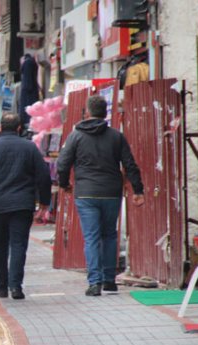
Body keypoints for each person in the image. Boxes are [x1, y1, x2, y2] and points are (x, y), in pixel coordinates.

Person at [57, 95, 145, 297]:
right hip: (111, 192)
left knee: (91, 237)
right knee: (109, 235)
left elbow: (62, 164)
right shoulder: (116, 136)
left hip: (86, 193)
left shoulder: (75, 136)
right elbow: (130, 164)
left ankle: (94, 282)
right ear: (105, 113)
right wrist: (138, 190)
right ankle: (109, 280)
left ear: (87, 112)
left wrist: (64, 184)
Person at [0, 112, 51, 300]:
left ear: (0, 128)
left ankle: (1, 286)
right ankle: (16, 286)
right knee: (18, 245)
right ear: (19, 128)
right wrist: (44, 202)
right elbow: (43, 176)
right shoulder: (30, 147)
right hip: (22, 205)